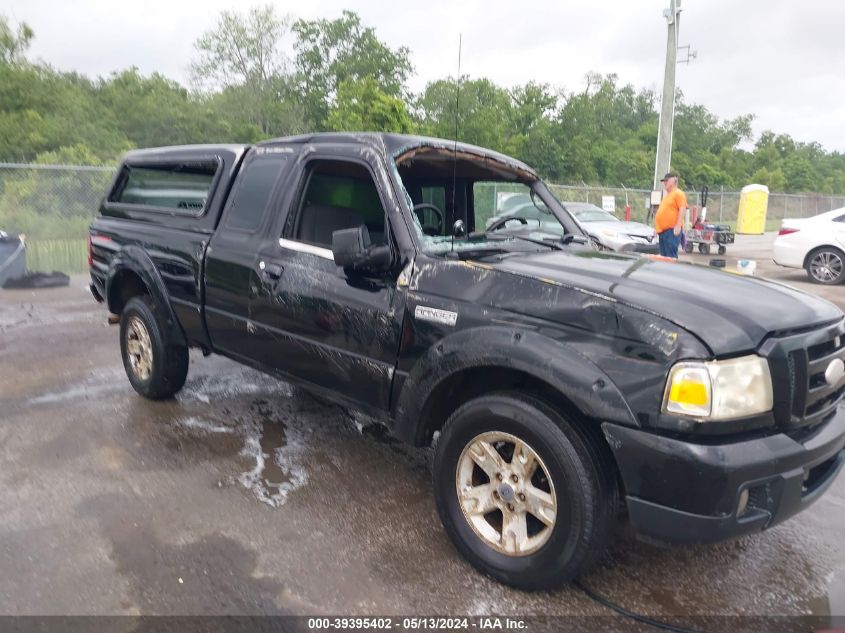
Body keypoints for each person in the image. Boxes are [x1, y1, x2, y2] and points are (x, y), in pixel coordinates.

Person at [654, 172, 688, 259]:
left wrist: (678, 225)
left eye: (667, 180)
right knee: (664, 258)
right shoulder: (667, 196)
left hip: (671, 231)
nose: (664, 182)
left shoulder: (678, 193)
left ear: (674, 181)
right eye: (664, 181)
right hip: (663, 232)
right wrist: (657, 228)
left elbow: (682, 208)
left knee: (670, 257)